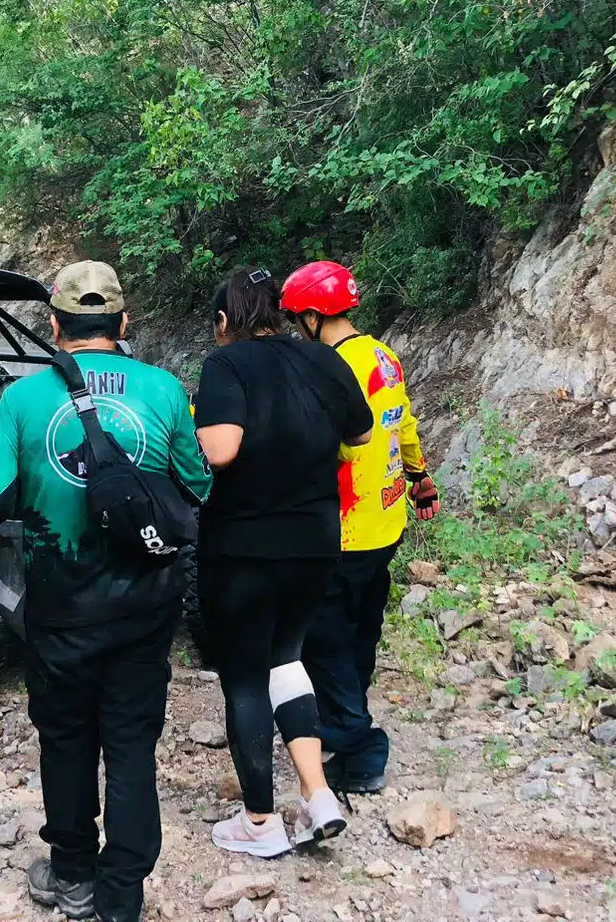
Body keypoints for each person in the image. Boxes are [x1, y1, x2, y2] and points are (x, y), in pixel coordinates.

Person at [0, 260, 211, 922]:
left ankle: (72, 872)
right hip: (145, 603)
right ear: (123, 322)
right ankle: (121, 896)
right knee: (132, 745)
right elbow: (199, 487)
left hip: (60, 605)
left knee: (68, 738)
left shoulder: (24, 399)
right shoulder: (163, 390)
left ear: (54, 325)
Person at [192, 267, 374, 857]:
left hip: (245, 548)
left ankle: (261, 824)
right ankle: (318, 795)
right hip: (317, 541)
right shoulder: (325, 358)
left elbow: (220, 449)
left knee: (244, 679)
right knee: (286, 660)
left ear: (225, 322)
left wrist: (177, 440)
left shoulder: (227, 364)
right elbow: (362, 435)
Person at [282, 260, 439, 795]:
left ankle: (359, 745)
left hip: (345, 525)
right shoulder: (383, 356)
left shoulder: (330, 368)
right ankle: (348, 728)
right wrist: (420, 478)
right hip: (387, 517)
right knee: (359, 628)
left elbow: (343, 443)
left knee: (320, 639)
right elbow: (405, 424)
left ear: (309, 316)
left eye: (293, 319)